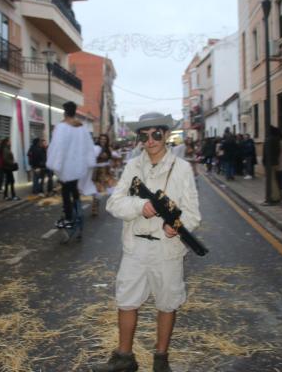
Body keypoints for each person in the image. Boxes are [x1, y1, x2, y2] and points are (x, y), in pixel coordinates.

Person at [94, 112, 201, 372]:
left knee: (167, 303)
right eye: (144, 135)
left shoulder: (182, 168)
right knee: (126, 301)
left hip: (167, 249)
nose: (150, 140)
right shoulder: (132, 167)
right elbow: (114, 203)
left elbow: (193, 213)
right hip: (135, 247)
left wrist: (175, 225)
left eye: (156, 134)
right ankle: (124, 358)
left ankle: (161, 359)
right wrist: (141, 206)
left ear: (165, 135)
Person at [46, 101, 95, 229]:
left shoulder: (61, 127)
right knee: (74, 190)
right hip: (78, 166)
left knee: (65, 193)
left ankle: (68, 218)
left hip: (66, 167)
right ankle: (78, 213)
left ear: (64, 112)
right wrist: (88, 162)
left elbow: (57, 147)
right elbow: (88, 147)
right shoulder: (82, 127)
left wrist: (55, 164)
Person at [91, 134, 116, 216]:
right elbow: (91, 159)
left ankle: (112, 208)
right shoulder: (96, 148)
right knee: (97, 191)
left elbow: (111, 159)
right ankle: (95, 209)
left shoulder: (109, 149)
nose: (103, 140)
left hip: (107, 171)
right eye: (101, 139)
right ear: (99, 140)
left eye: (105, 139)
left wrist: (112, 167)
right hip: (98, 172)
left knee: (112, 189)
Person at [262, 126, 282, 205]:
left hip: (269, 163)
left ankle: (273, 197)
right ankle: (275, 196)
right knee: (275, 180)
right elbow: (278, 152)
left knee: (271, 181)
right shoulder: (277, 140)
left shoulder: (268, 140)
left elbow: (265, 153)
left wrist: (264, 161)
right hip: (275, 162)